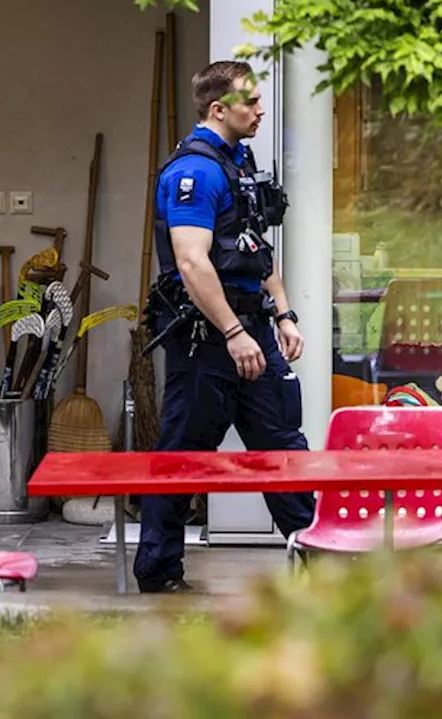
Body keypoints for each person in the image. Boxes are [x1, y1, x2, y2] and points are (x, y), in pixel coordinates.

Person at [134, 60, 316, 594]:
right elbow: (192, 263)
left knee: (282, 445)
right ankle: (159, 570)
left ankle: (318, 561)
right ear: (218, 109)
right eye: (251, 103)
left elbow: (256, 247)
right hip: (207, 340)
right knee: (184, 454)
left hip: (253, 327)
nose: (261, 111)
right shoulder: (195, 172)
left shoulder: (239, 162)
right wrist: (234, 333)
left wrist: (282, 312)